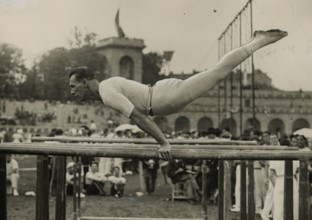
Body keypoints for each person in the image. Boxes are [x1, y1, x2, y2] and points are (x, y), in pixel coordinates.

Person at [68, 30, 287, 159]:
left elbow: (139, 118)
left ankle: (259, 40)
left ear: (85, 82)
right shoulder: (106, 89)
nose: (72, 92)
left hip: (166, 97)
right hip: (162, 95)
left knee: (218, 72)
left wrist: (164, 142)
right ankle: (256, 41)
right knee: (216, 72)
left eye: (73, 86)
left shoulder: (107, 92)